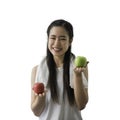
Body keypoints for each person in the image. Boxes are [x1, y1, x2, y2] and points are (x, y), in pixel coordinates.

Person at [31, 19, 89, 120]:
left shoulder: (79, 67)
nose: (56, 43)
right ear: (47, 39)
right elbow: (36, 112)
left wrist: (77, 76)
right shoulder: (37, 70)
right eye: (53, 38)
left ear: (70, 41)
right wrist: (41, 98)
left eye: (62, 39)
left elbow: (81, 105)